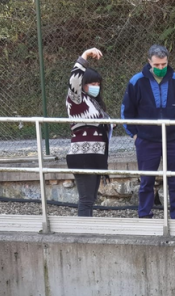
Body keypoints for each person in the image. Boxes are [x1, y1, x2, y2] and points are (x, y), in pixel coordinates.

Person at [121, 45, 175, 219]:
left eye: (164, 64)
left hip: (174, 139)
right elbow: (127, 110)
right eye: (157, 65)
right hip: (147, 140)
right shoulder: (136, 81)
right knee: (146, 180)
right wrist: (134, 134)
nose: (161, 68)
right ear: (149, 62)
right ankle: (144, 213)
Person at [66, 47, 113, 217]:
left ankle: (86, 228)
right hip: (83, 155)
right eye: (92, 83)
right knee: (86, 199)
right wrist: (84, 56)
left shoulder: (93, 102)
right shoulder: (76, 99)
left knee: (91, 198)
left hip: (96, 155)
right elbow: (74, 81)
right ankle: (82, 233)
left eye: (98, 84)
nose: (96, 87)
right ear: (83, 84)